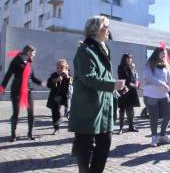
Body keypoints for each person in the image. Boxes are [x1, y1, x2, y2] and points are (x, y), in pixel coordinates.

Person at [68, 15, 125, 173]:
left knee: (104, 147)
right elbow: (90, 78)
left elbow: (104, 76)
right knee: (84, 153)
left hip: (104, 109)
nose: (109, 30)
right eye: (106, 26)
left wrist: (116, 92)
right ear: (96, 29)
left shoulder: (103, 49)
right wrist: (113, 85)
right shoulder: (85, 50)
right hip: (88, 110)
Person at [0, 45, 44, 142]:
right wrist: (2, 87)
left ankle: (30, 133)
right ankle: (13, 135)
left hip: (28, 91)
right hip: (16, 91)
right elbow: (8, 74)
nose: (34, 55)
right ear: (28, 52)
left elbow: (33, 78)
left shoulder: (29, 64)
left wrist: (43, 83)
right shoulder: (16, 61)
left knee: (31, 113)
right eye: (33, 53)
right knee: (16, 113)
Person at [143, 47, 170, 147]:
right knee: (154, 117)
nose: (164, 55)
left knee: (168, 116)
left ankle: (162, 135)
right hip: (151, 95)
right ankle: (154, 138)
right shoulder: (149, 64)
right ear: (157, 53)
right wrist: (162, 84)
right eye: (162, 53)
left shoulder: (165, 65)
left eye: (165, 53)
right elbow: (149, 78)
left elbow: (169, 79)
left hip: (164, 95)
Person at [46, 59, 73, 135]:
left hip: (65, 96)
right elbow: (49, 84)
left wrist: (67, 77)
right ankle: (56, 128)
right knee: (55, 112)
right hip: (55, 96)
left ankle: (66, 114)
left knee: (68, 108)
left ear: (65, 67)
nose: (59, 69)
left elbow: (72, 85)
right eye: (57, 67)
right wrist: (56, 80)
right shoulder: (54, 75)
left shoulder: (69, 75)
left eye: (61, 67)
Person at [117, 53, 140, 134]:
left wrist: (133, 70)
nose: (130, 59)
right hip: (124, 90)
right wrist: (132, 84)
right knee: (122, 110)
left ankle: (131, 126)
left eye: (131, 58)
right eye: (128, 58)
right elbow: (125, 79)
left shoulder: (132, 68)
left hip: (131, 90)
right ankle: (121, 127)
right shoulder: (121, 67)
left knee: (130, 110)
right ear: (124, 59)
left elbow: (134, 78)